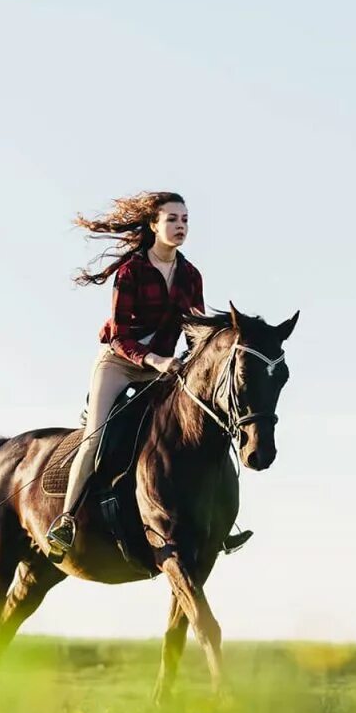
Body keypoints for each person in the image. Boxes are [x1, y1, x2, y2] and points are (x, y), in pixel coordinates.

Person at [46, 191, 253, 557]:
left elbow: (195, 331)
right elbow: (122, 337)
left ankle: (218, 522)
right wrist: (155, 361)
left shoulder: (191, 275)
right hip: (120, 363)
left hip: (164, 368)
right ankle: (65, 521)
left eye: (185, 220)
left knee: (197, 427)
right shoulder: (131, 272)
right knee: (95, 438)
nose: (180, 227)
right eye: (172, 219)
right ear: (154, 225)